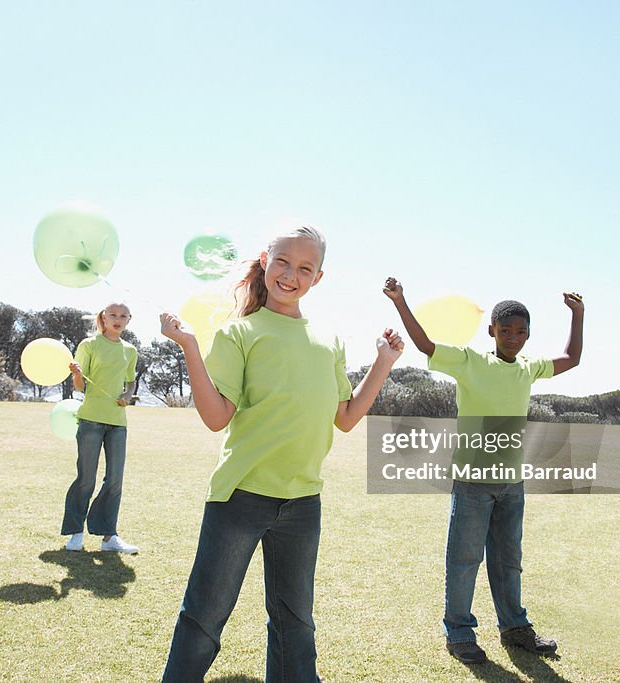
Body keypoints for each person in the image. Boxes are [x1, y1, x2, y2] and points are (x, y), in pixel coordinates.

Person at [159, 226, 404, 682]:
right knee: (203, 621)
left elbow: (346, 417)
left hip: (302, 503)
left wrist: (383, 363)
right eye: (283, 262)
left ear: (319, 277)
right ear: (265, 262)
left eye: (305, 268)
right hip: (239, 499)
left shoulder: (328, 339)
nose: (292, 274)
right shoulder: (240, 333)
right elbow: (216, 417)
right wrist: (190, 345)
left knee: (295, 625)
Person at [383, 277, 584, 665]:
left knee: (509, 559)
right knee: (464, 560)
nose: (513, 336)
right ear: (491, 330)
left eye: (520, 331)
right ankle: (459, 633)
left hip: (512, 483)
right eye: (505, 329)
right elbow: (425, 345)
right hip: (473, 484)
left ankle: (515, 628)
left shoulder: (527, 367)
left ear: (528, 335)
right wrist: (400, 301)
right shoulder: (470, 361)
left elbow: (571, 358)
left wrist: (578, 315)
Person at [61, 303, 140, 554]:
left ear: (129, 320)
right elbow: (80, 386)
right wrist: (76, 374)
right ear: (103, 318)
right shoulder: (89, 345)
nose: (118, 320)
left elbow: (130, 384)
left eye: (123, 316)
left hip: (118, 423)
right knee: (86, 479)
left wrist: (127, 397)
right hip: (91, 420)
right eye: (113, 315)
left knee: (115, 480)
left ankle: (109, 537)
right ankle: (75, 533)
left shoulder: (130, 350)